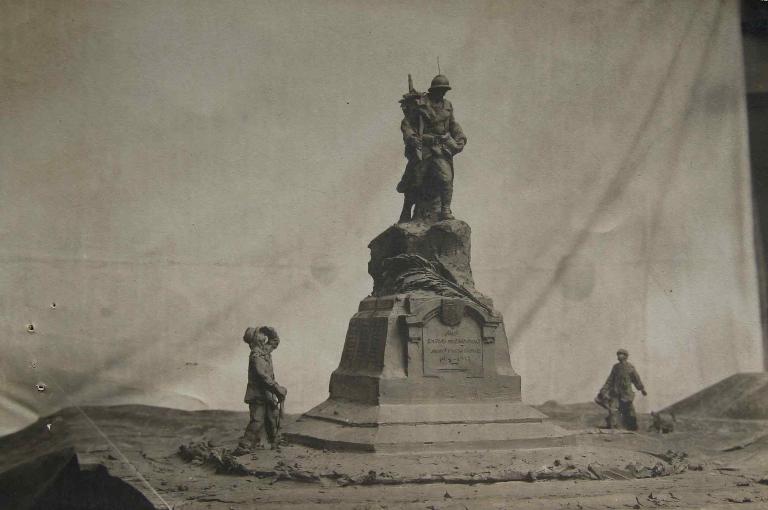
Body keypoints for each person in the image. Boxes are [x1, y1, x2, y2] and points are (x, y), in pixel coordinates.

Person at [398, 74, 467, 222]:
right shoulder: (420, 104)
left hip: (440, 148)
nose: (442, 93)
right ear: (433, 90)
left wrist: (460, 137)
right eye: (439, 90)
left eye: (444, 90)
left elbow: (453, 125)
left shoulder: (447, 105)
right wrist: (411, 137)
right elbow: (407, 124)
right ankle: (406, 211)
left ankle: (445, 209)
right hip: (423, 148)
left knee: (446, 178)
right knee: (415, 180)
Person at [238, 326, 287, 451]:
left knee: (272, 418)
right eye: (259, 333)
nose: (262, 334)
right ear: (255, 339)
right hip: (257, 395)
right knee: (257, 420)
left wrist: (270, 330)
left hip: (267, 394)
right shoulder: (256, 356)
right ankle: (244, 445)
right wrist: (277, 389)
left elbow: (274, 341)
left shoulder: (264, 350)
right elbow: (263, 376)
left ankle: (274, 442)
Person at [596, 348, 647, 430]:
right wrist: (604, 389)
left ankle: (632, 427)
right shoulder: (615, 367)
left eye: (621, 354)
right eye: (618, 354)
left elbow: (636, 379)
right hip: (615, 392)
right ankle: (613, 426)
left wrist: (641, 389)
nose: (619, 356)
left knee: (629, 411)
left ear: (625, 356)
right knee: (613, 409)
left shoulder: (630, 367)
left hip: (626, 394)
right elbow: (610, 379)